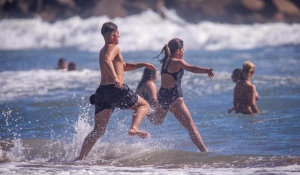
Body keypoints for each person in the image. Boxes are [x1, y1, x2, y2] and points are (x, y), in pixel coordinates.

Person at [75, 22, 157, 161]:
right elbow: (108, 60)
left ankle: (80, 158)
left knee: (98, 130)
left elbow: (122, 66)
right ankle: (134, 128)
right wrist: (115, 79)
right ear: (112, 35)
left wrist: (142, 64)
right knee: (144, 105)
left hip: (102, 92)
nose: (119, 36)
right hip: (115, 89)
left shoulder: (103, 50)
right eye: (118, 34)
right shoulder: (113, 47)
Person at [147, 38, 214, 152]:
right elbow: (192, 68)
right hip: (174, 97)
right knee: (191, 127)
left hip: (163, 95)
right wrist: (206, 70)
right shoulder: (178, 62)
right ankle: (205, 152)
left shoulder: (165, 62)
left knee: (156, 121)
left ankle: (144, 108)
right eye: (183, 49)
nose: (184, 52)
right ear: (178, 51)